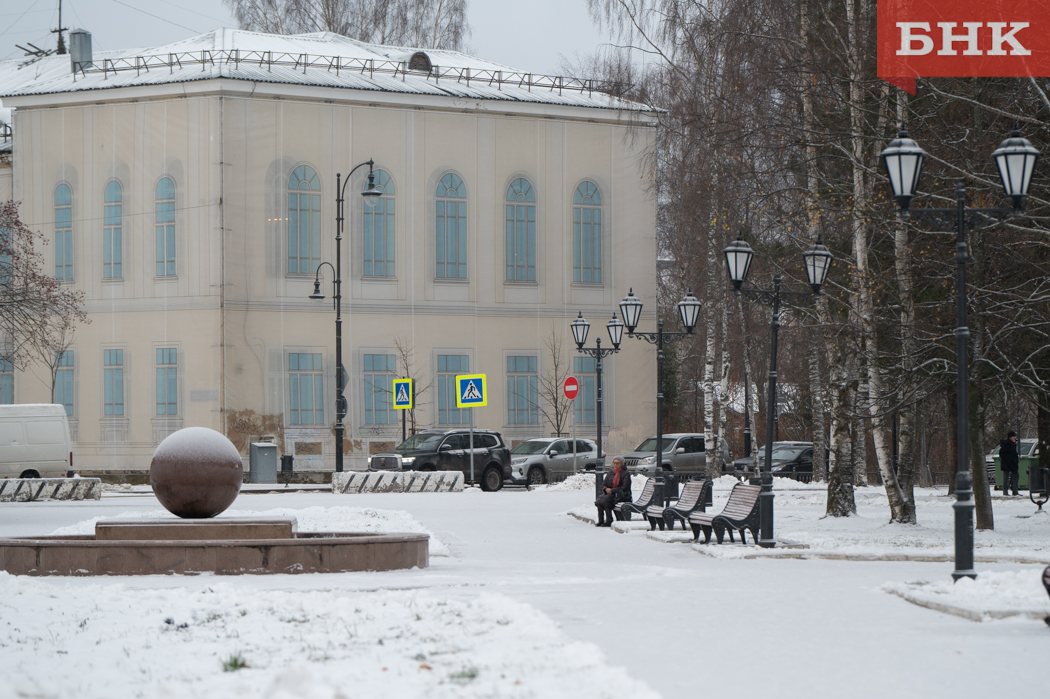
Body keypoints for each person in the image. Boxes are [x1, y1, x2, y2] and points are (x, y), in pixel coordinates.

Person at [594, 456, 631, 527]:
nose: (615, 465)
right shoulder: (611, 472)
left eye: (617, 463)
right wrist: (606, 489)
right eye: (614, 463)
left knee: (606, 501)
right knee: (599, 501)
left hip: (621, 495)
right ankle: (601, 520)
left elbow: (625, 487)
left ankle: (609, 520)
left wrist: (612, 490)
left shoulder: (625, 473)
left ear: (622, 464)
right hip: (610, 494)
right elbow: (604, 483)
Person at [999, 431, 1020, 496]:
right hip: (1007, 463)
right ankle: (1006, 491)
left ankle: (1014, 491)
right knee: (1006, 478)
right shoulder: (1007, 444)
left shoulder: (1013, 444)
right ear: (1010, 437)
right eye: (1014, 436)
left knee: (1014, 476)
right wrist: (1009, 459)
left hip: (1012, 463)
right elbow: (1003, 453)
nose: (1015, 438)